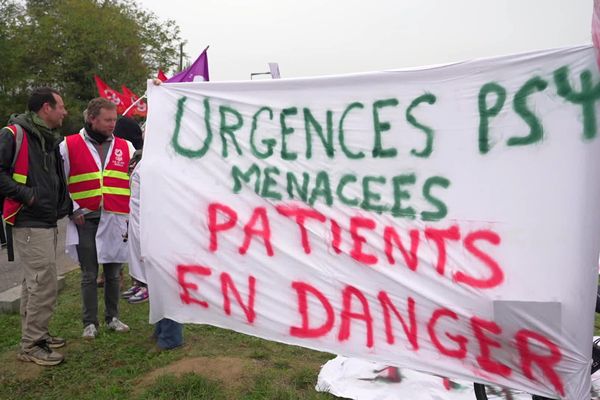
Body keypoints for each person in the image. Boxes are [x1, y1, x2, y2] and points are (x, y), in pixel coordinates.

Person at [0, 87, 71, 366]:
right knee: (44, 284)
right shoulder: (13, 134)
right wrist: (27, 195)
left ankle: (35, 335)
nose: (65, 112)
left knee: (35, 283)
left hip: (44, 219)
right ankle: (32, 345)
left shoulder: (46, 138)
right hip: (29, 220)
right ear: (46, 108)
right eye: (61, 106)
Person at [60, 97, 134, 339]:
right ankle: (89, 322)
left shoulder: (126, 146)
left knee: (113, 273)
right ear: (92, 119)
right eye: (107, 120)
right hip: (86, 218)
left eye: (115, 119)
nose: (113, 124)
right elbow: (60, 182)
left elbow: (135, 179)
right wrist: (72, 208)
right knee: (89, 273)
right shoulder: (68, 145)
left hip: (115, 217)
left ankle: (112, 317)